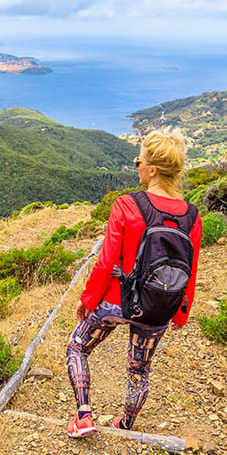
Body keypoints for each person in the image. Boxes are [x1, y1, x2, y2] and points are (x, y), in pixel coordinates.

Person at [66, 128, 202, 437]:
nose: (136, 165)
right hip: (158, 305)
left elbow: (105, 262)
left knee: (77, 348)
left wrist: (88, 301)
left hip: (116, 301)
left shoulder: (127, 205)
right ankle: (125, 424)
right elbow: (190, 270)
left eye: (138, 160)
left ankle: (84, 416)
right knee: (139, 370)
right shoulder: (192, 217)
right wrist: (181, 311)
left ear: (152, 170)